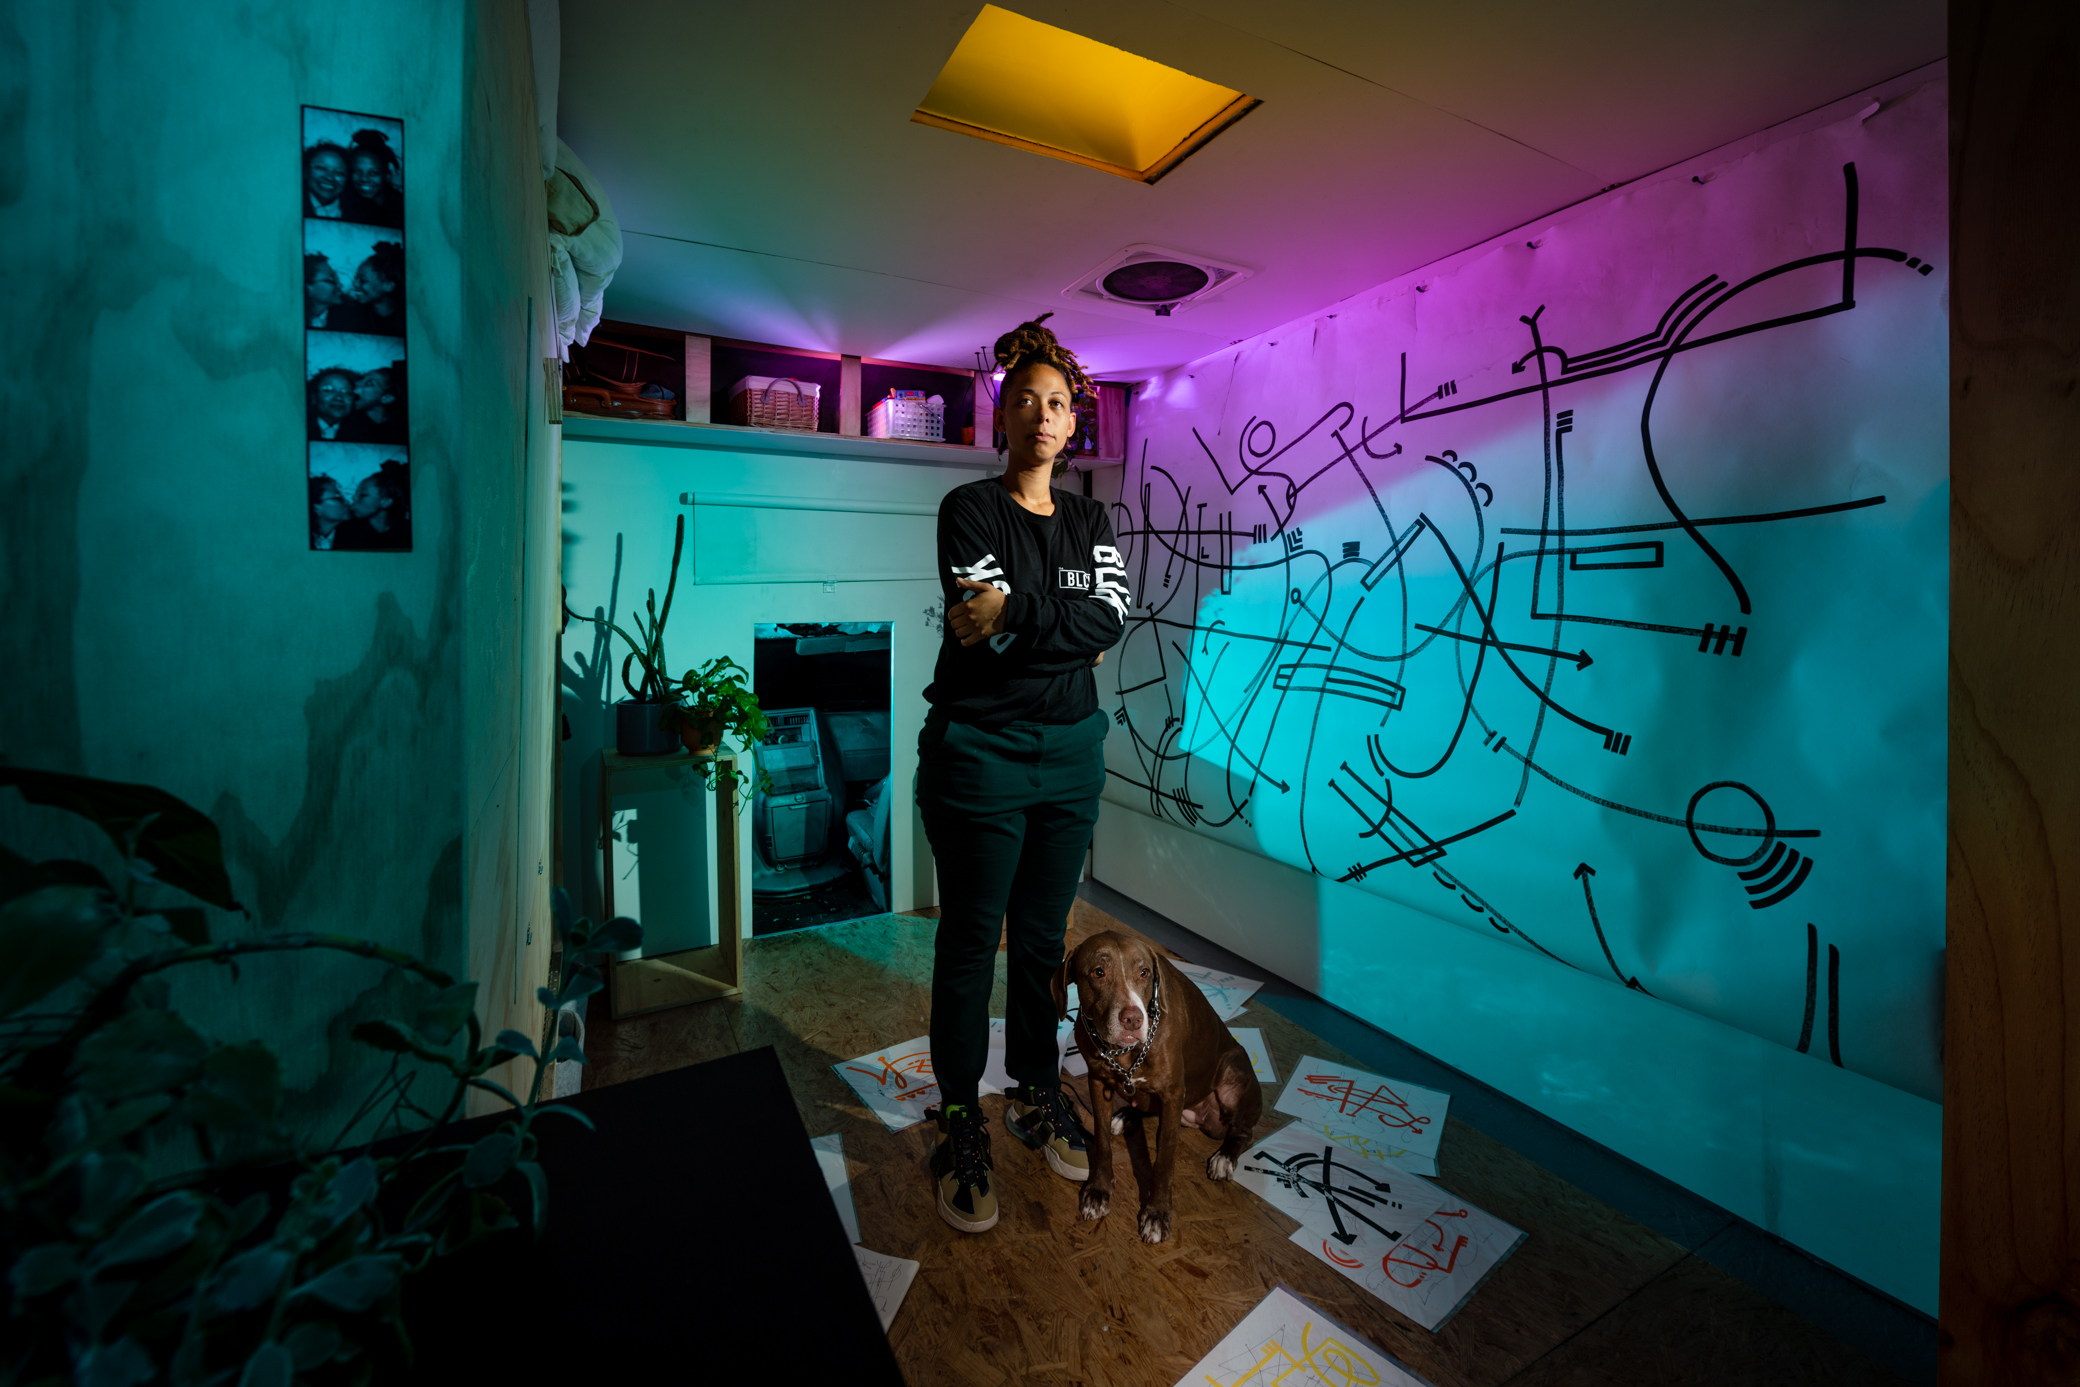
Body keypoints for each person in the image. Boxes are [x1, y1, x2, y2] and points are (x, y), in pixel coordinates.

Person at [917, 314, 1131, 1234]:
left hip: (1071, 757)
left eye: (1058, 404)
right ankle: (959, 1115)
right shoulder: (968, 509)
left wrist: (1017, 612)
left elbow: (1111, 618)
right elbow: (984, 627)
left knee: (1042, 942)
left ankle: (1036, 1090)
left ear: (1073, 421)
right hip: (981, 755)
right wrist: (1050, 626)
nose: (1043, 415)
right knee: (973, 941)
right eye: (1027, 402)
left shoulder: (1091, 519)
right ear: (1001, 416)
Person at [333, 459, 411, 551]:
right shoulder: (345, 531)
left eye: (363, 494)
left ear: (385, 502)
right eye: (356, 493)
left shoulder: (407, 533)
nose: (354, 498)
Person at [328, 242, 403, 335]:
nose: (355, 284)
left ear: (388, 286)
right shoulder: (348, 315)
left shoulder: (406, 320)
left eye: (363, 280)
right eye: (356, 278)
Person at [341, 129, 403, 228]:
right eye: (357, 171)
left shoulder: (403, 207)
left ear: (387, 176)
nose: (364, 179)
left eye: (373, 173)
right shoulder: (343, 205)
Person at [339, 364, 405, 442]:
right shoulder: (347, 422)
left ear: (386, 398)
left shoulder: (401, 428)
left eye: (369, 383)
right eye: (362, 378)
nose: (356, 382)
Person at [306, 367, 356, 440]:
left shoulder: (362, 431)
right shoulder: (300, 425)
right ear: (313, 397)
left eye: (347, 392)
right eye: (328, 390)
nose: (339, 397)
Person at [302, 142, 349, 219]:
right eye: (321, 168)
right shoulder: (291, 204)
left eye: (339, 172)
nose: (329, 177)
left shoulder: (361, 214)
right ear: (306, 171)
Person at [309, 474, 350, 550]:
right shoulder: (298, 538)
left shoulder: (355, 537)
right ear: (315, 508)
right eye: (338, 498)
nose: (346, 501)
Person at [304, 253, 342, 328]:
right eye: (331, 280)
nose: (340, 285)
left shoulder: (348, 320)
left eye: (337, 279)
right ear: (307, 287)